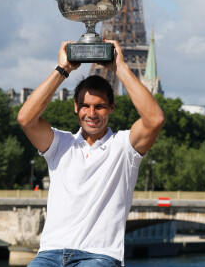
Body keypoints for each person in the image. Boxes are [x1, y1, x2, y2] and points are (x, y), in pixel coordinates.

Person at [17, 40, 164, 267]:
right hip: (50, 254)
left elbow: (154, 120)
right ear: (75, 107)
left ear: (112, 108)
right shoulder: (59, 144)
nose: (92, 113)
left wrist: (120, 68)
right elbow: (25, 119)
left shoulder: (124, 147)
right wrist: (62, 69)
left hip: (98, 256)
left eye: (100, 106)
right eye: (85, 106)